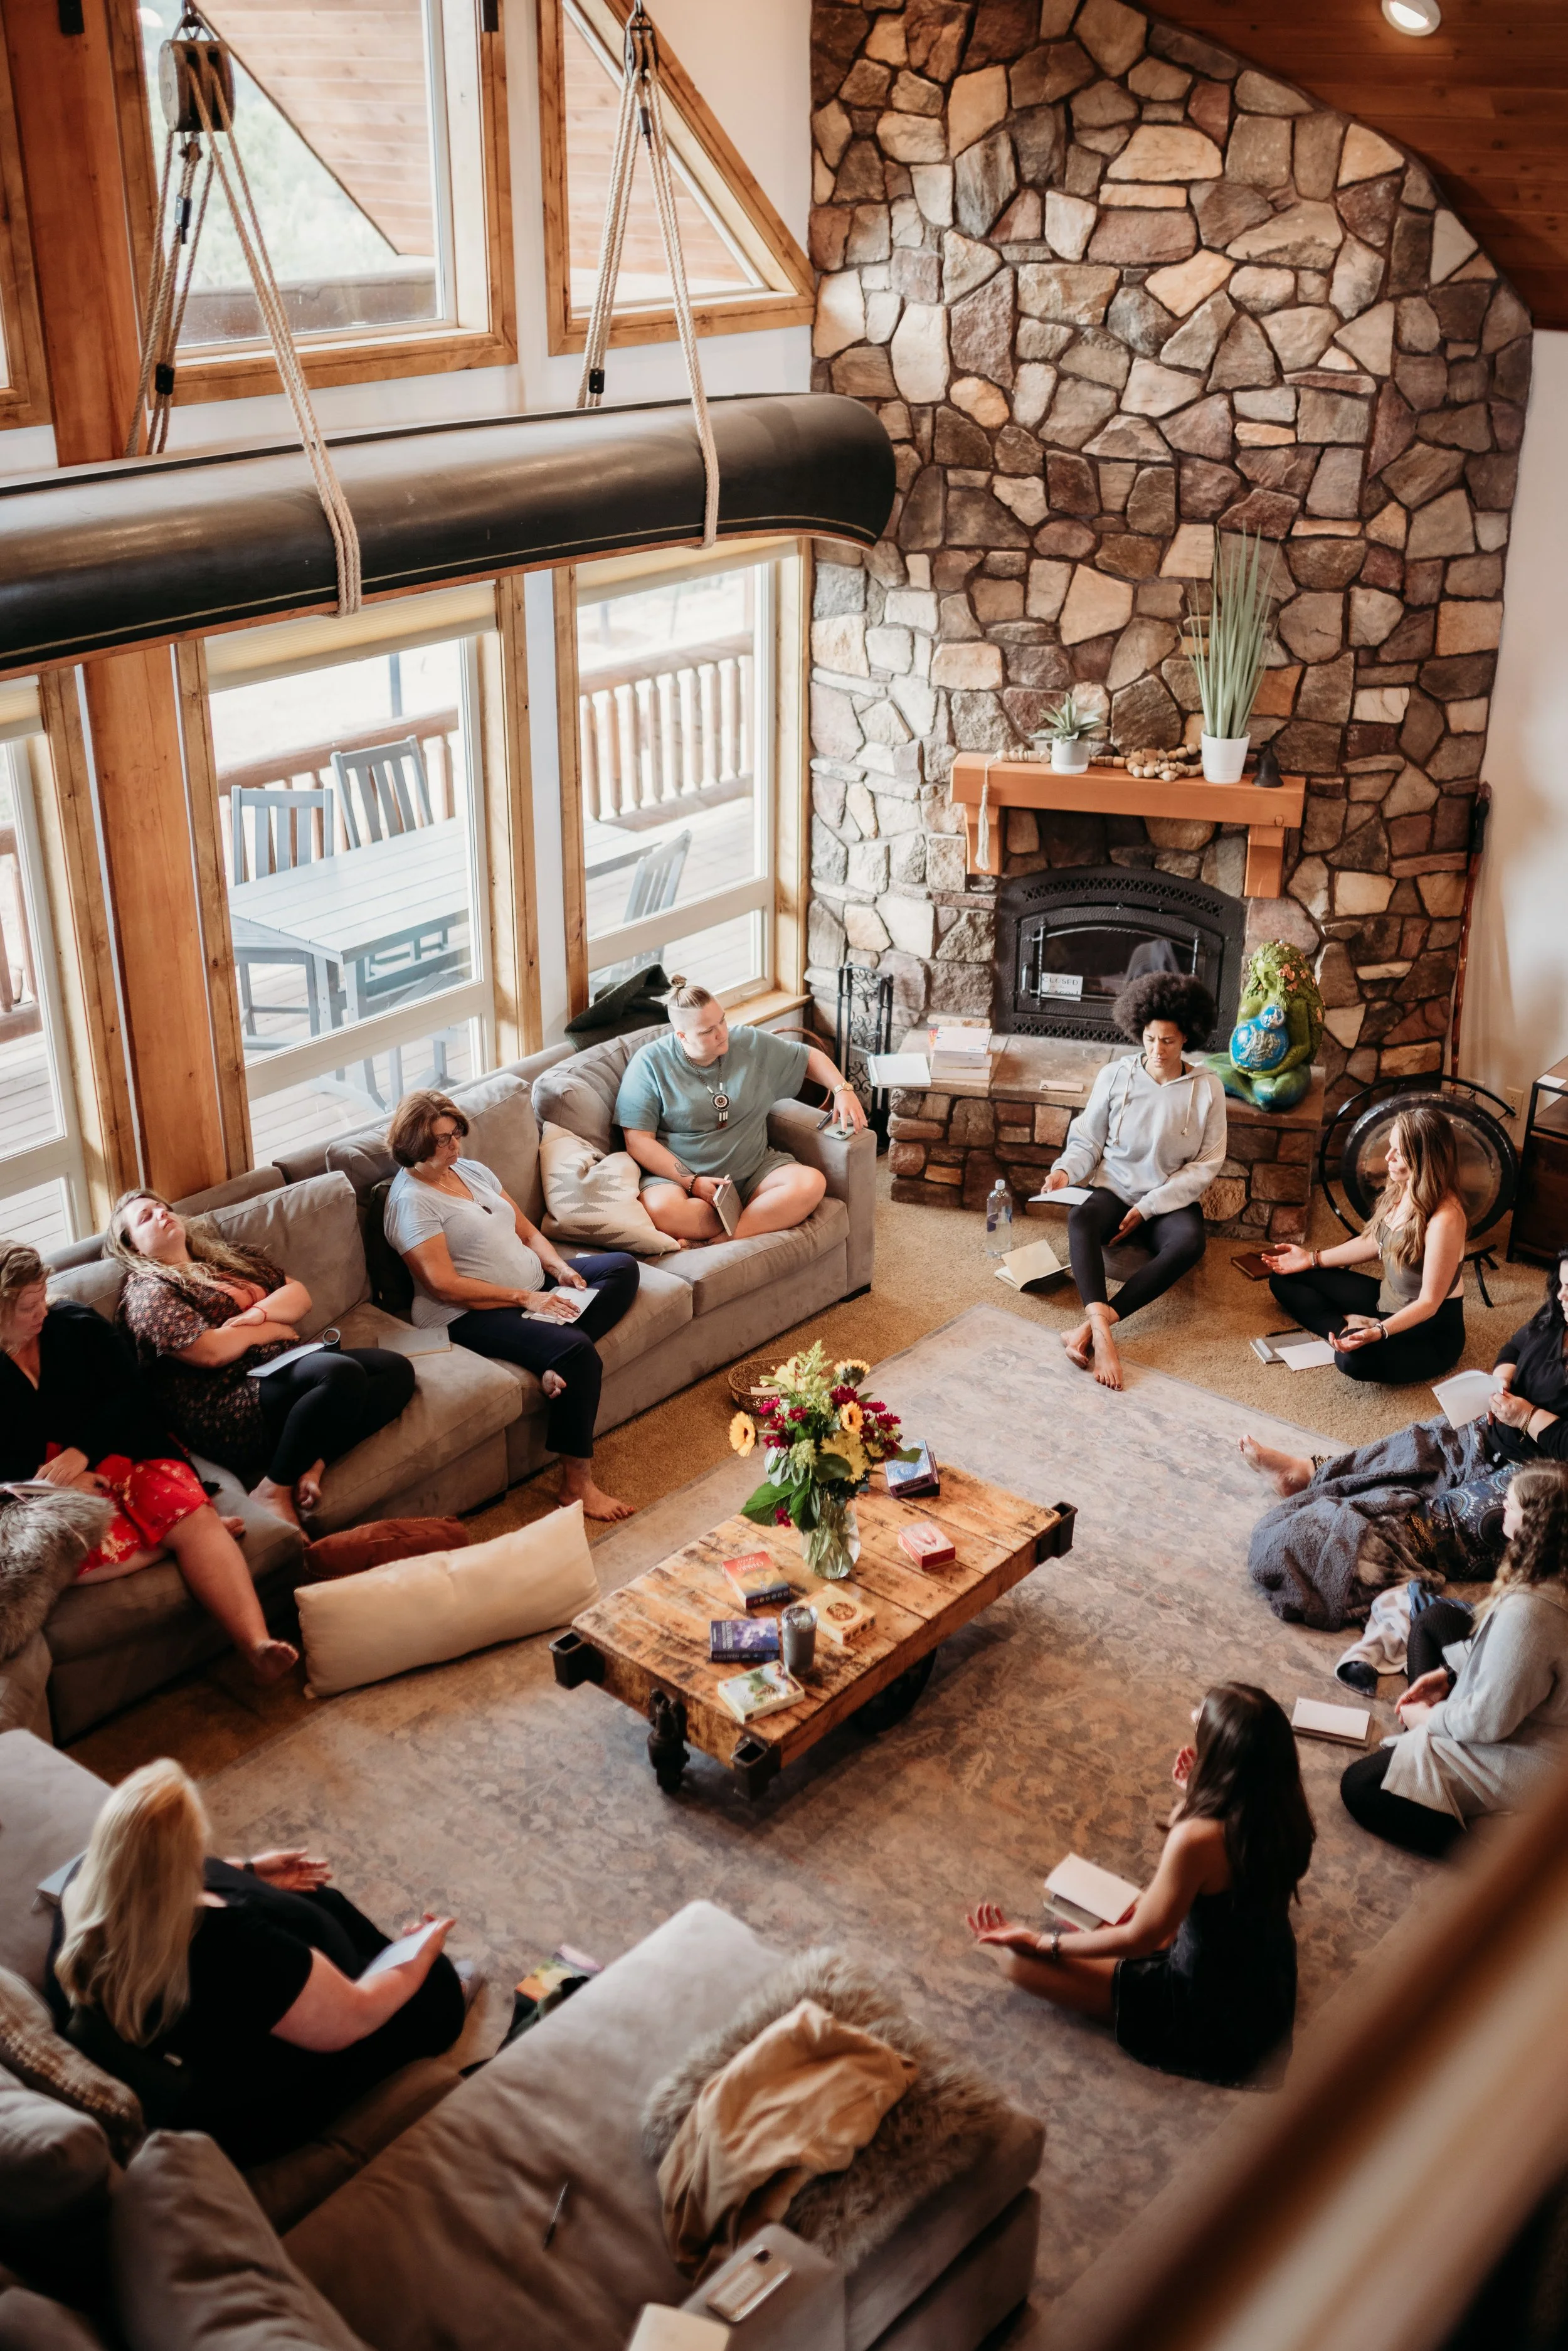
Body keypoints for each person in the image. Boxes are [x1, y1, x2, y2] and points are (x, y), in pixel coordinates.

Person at [48, 1759, 465, 2168]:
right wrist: (419, 1955)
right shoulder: (231, 1947)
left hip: (206, 2019)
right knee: (439, 1989)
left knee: (321, 1901)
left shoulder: (84, 1887)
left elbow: (155, 1874)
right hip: (257, 2096)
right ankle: (427, 1974)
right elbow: (354, 2016)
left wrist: (246, 1871)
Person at [966, 1684, 1313, 2088]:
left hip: (1209, 2008)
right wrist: (1201, 1794)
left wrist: (1042, 1943)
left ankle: (1033, 1952)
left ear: (1220, 1761)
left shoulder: (1197, 1838)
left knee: (1014, 1960)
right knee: (1142, 1912)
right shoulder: (1284, 1810)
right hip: (1268, 1986)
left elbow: (1143, 1938)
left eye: (1199, 1733)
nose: (1191, 1731)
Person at [0, 1241, 296, 1684]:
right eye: (27, 1307)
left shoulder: (75, 1324)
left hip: (124, 1448)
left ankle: (256, 1644)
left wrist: (85, 1453)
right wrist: (59, 1486)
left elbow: (133, 1396)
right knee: (42, 1564)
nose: (42, 1311)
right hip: (38, 1488)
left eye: (43, 1296)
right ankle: (172, 1539)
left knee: (184, 1515)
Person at [1241, 1251, 1568, 1630]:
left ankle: (1336, 1560)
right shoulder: (1558, 1316)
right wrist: (1503, 1380)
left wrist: (1527, 1416)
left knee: (1422, 1526)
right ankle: (1309, 1473)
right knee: (1413, 1447)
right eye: (1560, 1285)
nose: (1561, 1297)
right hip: (1498, 1426)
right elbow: (1515, 1346)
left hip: (1542, 1481)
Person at [383, 1090, 637, 1522]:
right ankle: (576, 1487)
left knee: (622, 1269)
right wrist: (525, 1297)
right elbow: (443, 1286)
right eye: (441, 1141)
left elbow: (526, 1231)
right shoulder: (411, 1202)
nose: (454, 1147)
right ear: (412, 1145)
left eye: (456, 1134)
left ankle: (550, 1358)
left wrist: (559, 1270)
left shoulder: (471, 1170)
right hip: (467, 1314)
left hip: (532, 1287)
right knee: (579, 1354)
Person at [109, 1192, 415, 1532]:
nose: (161, 1214)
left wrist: (254, 1317)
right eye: (145, 1217)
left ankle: (313, 1461)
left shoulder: (219, 1258)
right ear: (133, 1246)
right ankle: (273, 1488)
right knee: (341, 1374)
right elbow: (211, 1353)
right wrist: (268, 1328)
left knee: (395, 1370)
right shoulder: (148, 1292)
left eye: (162, 1207)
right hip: (224, 1400)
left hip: (279, 1368)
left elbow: (299, 1296)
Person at [1339, 1465, 1568, 1858]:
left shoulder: (1533, 1614)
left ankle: (1491, 1850)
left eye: (1509, 1505)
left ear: (1533, 1525)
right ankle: (1428, 1736)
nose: (1501, 1507)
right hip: (1526, 1699)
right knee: (1436, 1620)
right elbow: (1502, 1653)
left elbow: (1488, 1721)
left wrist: (1430, 1719)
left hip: (1538, 1755)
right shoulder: (1550, 1573)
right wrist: (1449, 1675)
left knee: (1360, 1785)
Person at [1042, 971, 1227, 1392]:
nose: (1157, 1050)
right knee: (1081, 1221)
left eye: (1168, 1041)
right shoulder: (1115, 1076)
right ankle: (1103, 1333)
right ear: (1138, 1031)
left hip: (1168, 1196)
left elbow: (1207, 1162)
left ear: (1187, 1039)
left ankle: (1090, 1330)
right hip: (1115, 1187)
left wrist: (1149, 1207)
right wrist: (1064, 1171)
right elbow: (1088, 1140)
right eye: (1149, 1039)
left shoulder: (1208, 1089)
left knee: (1189, 1244)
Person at [615, 976, 867, 1244]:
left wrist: (843, 1090)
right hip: (683, 1182)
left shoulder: (747, 1042)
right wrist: (693, 1182)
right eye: (707, 1031)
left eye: (722, 1021)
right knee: (661, 1209)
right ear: (682, 1036)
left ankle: (724, 1238)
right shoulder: (650, 1063)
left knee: (811, 1183)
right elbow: (638, 1141)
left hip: (755, 1171)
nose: (722, 1034)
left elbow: (808, 1058)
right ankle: (754, 1220)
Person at [1260, 1105, 1466, 1385]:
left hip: (1429, 1329)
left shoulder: (1445, 1220)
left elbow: (1429, 1303)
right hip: (1386, 1298)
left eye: (1400, 1152)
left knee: (1350, 1361)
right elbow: (1374, 1241)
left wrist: (1379, 1332)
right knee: (1285, 1278)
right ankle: (1347, 1328)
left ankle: (1355, 1335)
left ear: (1425, 1159)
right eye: (1391, 1147)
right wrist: (1311, 1259)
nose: (1388, 1157)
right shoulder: (1403, 1186)